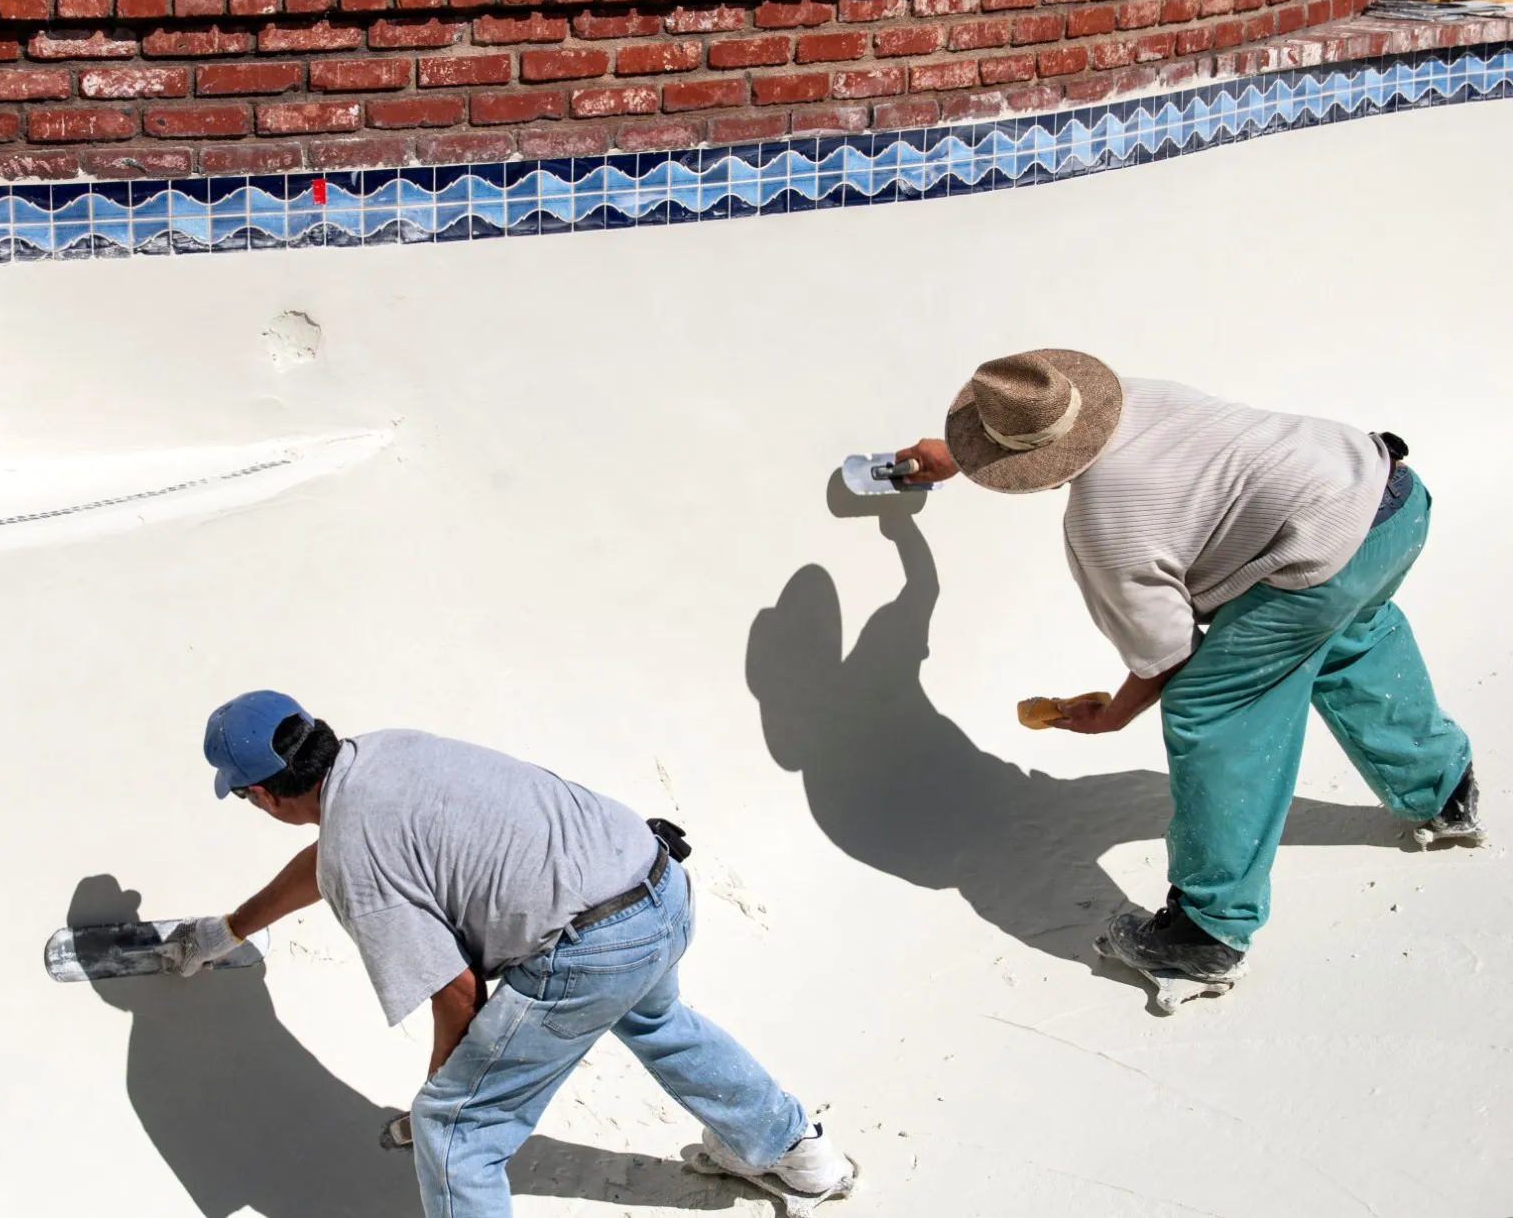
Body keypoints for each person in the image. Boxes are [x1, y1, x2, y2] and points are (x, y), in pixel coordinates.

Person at [896, 350, 1483, 992]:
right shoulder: (1136, 396)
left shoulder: (1104, 527)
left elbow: (1170, 660)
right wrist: (961, 453)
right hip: (1389, 497)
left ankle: (1205, 934)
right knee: (1352, 637)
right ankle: (1445, 787)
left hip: (1318, 552)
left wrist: (1111, 715)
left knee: (1212, 707)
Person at [166, 690, 855, 1217]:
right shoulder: (378, 752)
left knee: (454, 1133)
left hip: (589, 947)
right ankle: (800, 1153)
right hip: (656, 883)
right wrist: (229, 928)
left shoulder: (356, 851)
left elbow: (457, 988)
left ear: (259, 794)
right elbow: (330, 855)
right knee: (658, 1022)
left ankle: (786, 1148)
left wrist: (445, 1091)